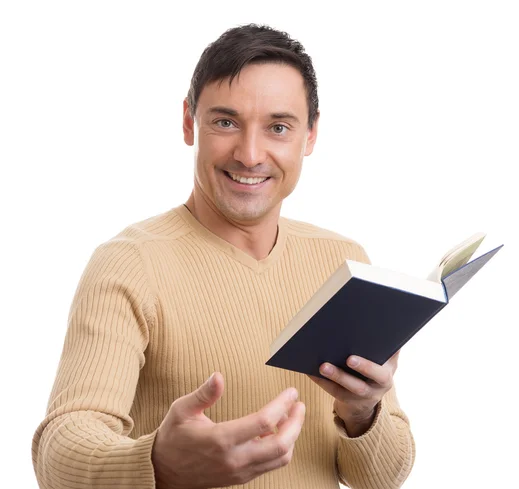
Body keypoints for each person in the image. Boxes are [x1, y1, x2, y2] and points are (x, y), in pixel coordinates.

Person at [31, 24, 415, 489]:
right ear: (190, 121)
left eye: (278, 127)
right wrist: (157, 463)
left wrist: (361, 411)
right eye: (226, 122)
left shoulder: (344, 262)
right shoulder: (130, 263)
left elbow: (382, 479)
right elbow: (58, 453)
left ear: (310, 135)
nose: (250, 155)